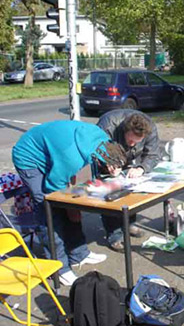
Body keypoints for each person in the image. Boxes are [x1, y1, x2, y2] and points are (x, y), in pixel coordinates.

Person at [12, 120, 127, 286]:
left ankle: (79, 253)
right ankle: (59, 268)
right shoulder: (71, 158)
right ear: (102, 159)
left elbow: (90, 169)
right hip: (28, 157)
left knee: (73, 208)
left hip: (54, 153)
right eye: (111, 168)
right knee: (49, 210)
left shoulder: (103, 141)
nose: (112, 172)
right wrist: (73, 207)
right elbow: (55, 189)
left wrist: (89, 189)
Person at [96, 109, 161, 252]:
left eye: (136, 142)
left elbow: (153, 154)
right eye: (130, 140)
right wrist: (108, 164)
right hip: (110, 158)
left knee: (132, 190)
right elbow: (97, 149)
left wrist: (142, 168)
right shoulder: (107, 125)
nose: (132, 144)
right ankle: (114, 234)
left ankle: (129, 223)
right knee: (110, 195)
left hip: (131, 162)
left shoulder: (149, 128)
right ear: (125, 131)